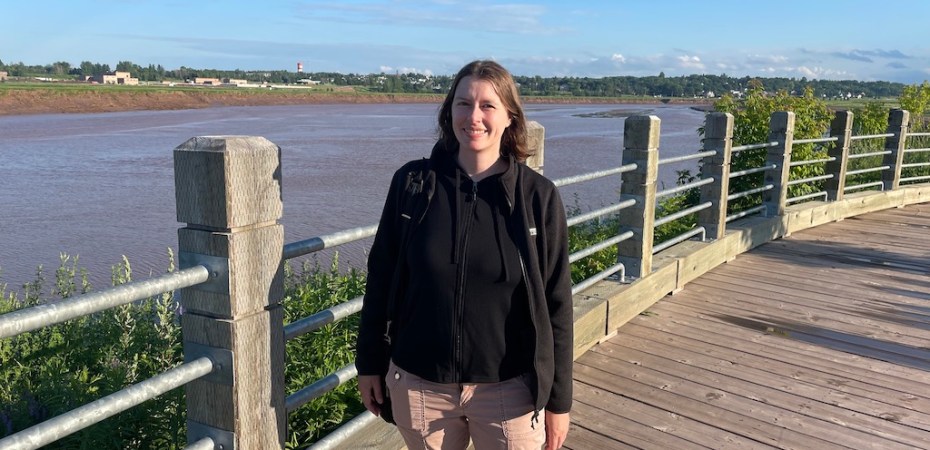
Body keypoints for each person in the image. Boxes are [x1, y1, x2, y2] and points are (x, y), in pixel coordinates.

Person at [356, 60, 573, 450]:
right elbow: (382, 275)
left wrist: (559, 401)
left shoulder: (537, 197)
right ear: (448, 112)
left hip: (511, 391)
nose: (474, 117)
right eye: (463, 104)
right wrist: (369, 362)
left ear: (510, 117)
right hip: (421, 386)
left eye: (488, 105)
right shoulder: (412, 184)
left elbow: (557, 303)